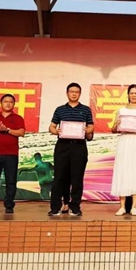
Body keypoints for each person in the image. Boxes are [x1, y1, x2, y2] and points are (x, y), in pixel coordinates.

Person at [48, 83, 94, 217]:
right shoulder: (60, 109)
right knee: (59, 177)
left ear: (80, 94)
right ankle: (55, 207)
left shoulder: (86, 110)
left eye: (76, 92)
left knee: (77, 178)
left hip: (79, 146)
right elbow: (51, 127)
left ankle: (75, 207)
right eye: (71, 91)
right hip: (63, 146)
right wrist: (56, 131)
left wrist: (86, 130)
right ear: (67, 93)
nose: (74, 94)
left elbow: (91, 127)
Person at [111, 84, 136, 216]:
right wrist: (116, 125)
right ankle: (122, 206)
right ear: (128, 95)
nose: (134, 95)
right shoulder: (121, 111)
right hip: (124, 142)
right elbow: (113, 130)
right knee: (123, 171)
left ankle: (134, 206)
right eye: (131, 93)